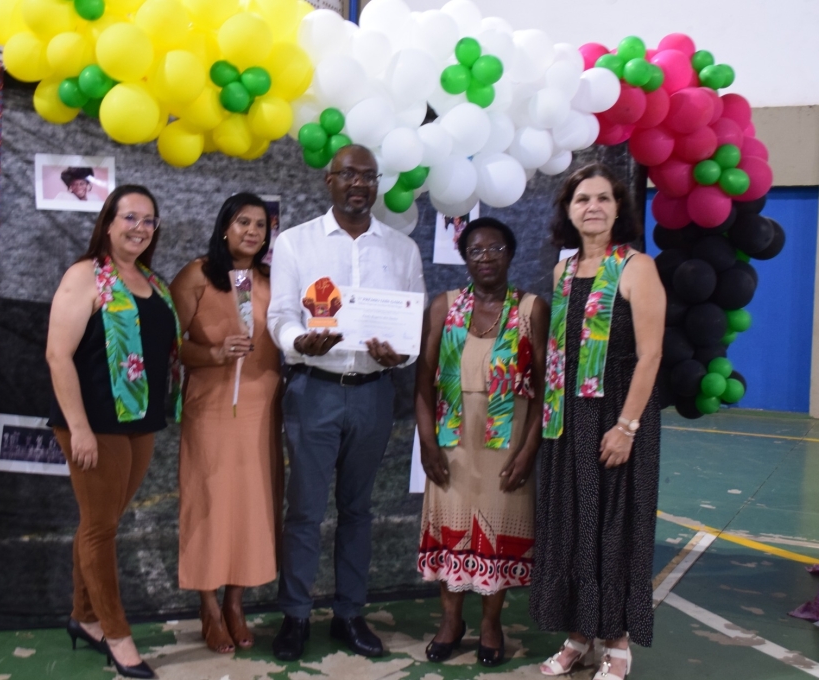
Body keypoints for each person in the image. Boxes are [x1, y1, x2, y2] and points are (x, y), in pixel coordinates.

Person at [267, 144, 426, 661]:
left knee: (359, 511)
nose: (359, 184)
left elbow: (413, 329)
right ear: (328, 181)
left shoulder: (402, 249)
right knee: (305, 512)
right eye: (348, 175)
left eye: (369, 176)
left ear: (378, 184)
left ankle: (349, 614)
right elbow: (281, 314)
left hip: (373, 395)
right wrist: (297, 343)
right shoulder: (295, 243)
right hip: (313, 390)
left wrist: (399, 354)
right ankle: (294, 616)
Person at [528, 164, 664, 680]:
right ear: (568, 209)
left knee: (614, 527)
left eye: (603, 198)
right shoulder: (564, 274)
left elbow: (650, 356)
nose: (593, 207)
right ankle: (579, 634)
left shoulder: (636, 268)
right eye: (582, 199)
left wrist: (626, 427)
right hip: (569, 422)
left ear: (618, 208)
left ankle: (618, 642)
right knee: (574, 527)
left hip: (616, 418)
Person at [46, 185, 181, 679]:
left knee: (99, 524)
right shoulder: (85, 277)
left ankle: (83, 618)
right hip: (95, 424)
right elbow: (58, 355)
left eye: (149, 220)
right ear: (108, 222)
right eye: (130, 218)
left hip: (138, 423)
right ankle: (117, 635)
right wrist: (78, 427)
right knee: (101, 529)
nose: (140, 228)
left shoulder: (154, 282)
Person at [415, 218, 550, 667]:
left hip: (506, 444)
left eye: (495, 249)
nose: (486, 258)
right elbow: (422, 384)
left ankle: (492, 623)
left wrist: (530, 450)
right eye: (475, 250)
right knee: (450, 527)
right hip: (452, 443)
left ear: (511, 254)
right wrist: (428, 445)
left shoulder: (531, 309)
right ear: (464, 258)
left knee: (497, 530)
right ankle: (451, 621)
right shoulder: (444, 306)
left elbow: (545, 388)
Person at [169, 193, 283, 654]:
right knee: (210, 502)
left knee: (252, 505)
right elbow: (171, 343)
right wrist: (214, 353)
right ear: (224, 227)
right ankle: (208, 606)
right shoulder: (196, 275)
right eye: (243, 222)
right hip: (211, 406)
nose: (252, 231)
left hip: (260, 404)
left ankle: (236, 603)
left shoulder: (273, 279)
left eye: (260, 225)